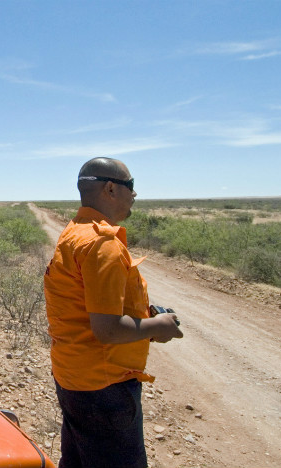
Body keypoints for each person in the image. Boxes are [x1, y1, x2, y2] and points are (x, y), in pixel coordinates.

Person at [44, 157, 183, 468]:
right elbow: (107, 329)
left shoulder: (74, 232)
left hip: (74, 376)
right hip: (104, 386)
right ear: (110, 188)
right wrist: (158, 325)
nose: (135, 194)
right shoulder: (101, 243)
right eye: (130, 186)